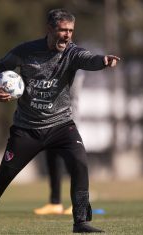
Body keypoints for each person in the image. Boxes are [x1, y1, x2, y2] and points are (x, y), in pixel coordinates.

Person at [0, 8, 120, 234]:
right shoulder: (26, 51)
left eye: (71, 31)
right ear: (50, 29)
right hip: (27, 129)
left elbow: (88, 59)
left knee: (80, 163)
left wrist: (102, 60)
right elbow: (0, 65)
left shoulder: (71, 53)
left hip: (62, 125)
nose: (67, 35)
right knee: (5, 174)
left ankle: (80, 222)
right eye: (63, 30)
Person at [34, 72, 84, 216]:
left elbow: (68, 94)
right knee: (53, 159)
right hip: (51, 121)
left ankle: (80, 204)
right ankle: (55, 202)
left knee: (73, 162)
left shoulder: (75, 65)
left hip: (68, 121)